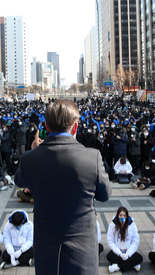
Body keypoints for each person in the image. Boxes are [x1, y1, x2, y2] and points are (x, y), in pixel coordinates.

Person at [14, 99, 111, 274]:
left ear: (46, 126)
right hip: (82, 246)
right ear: (75, 127)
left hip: (45, 244)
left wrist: (34, 150)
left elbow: (20, 182)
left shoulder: (29, 158)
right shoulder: (92, 157)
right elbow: (105, 195)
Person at [106, 207, 143, 273]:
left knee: (139, 258)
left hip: (128, 250)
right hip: (118, 251)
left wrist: (128, 254)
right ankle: (132, 265)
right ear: (117, 216)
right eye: (120, 215)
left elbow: (135, 241)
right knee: (109, 256)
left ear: (127, 216)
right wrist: (120, 254)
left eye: (124, 215)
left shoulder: (132, 225)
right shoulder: (112, 225)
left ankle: (117, 267)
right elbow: (110, 241)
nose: (122, 217)